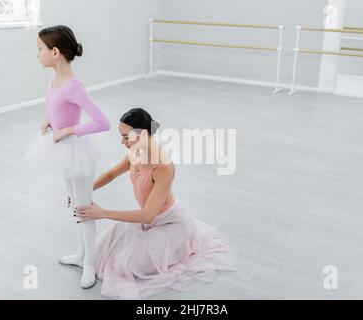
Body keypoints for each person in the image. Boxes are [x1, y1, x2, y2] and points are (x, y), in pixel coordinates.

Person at [75, 108, 236, 299]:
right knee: (101, 247)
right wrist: (84, 192)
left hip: (170, 224)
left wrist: (102, 212)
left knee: (124, 266)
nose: (122, 142)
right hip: (147, 219)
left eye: (126, 137)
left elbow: (148, 215)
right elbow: (110, 174)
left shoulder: (163, 166)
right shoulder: (135, 152)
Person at [24, 25, 111, 289]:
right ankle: (80, 254)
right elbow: (55, 106)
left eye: (39, 50)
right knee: (75, 204)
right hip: (62, 150)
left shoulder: (74, 86)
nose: (37, 55)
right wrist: (49, 120)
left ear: (55, 52)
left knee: (85, 209)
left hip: (77, 151)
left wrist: (70, 129)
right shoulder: (53, 80)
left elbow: (103, 122)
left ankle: (90, 266)